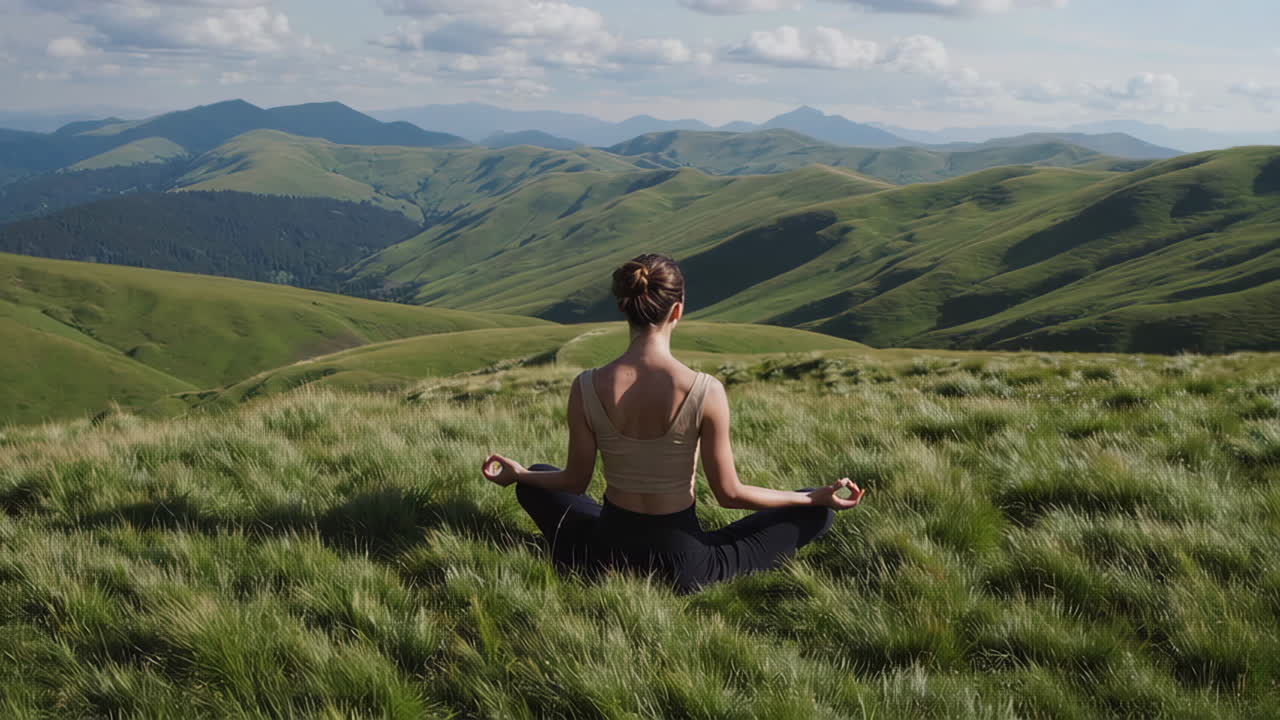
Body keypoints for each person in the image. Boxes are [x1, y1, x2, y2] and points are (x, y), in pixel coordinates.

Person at [481, 253, 865, 593]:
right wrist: (813, 497)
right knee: (816, 512)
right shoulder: (705, 391)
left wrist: (518, 475)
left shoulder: (585, 386)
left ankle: (576, 552)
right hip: (685, 564)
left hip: (604, 553)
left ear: (623, 307)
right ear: (677, 311)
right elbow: (730, 494)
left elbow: (574, 481)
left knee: (538, 477)